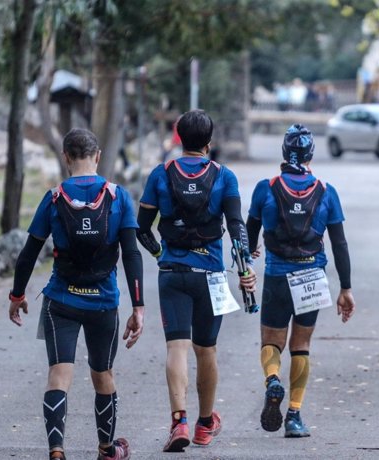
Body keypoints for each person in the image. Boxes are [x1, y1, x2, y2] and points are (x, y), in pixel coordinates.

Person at [8, 128, 144, 460]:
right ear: (97, 156)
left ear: (66, 157)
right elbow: (131, 254)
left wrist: (17, 295)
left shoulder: (53, 198)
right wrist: (138, 306)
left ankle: (56, 451)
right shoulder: (118, 197)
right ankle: (107, 448)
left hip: (61, 300)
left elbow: (28, 254)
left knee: (59, 373)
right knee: (102, 374)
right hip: (103, 303)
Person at [137, 109, 256, 453]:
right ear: (209, 142)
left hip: (173, 274)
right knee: (207, 350)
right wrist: (246, 270)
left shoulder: (160, 174)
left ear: (179, 137)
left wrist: (161, 255)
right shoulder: (224, 176)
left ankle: (179, 422)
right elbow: (236, 228)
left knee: (177, 347)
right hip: (211, 275)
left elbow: (141, 229)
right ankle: (205, 425)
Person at [246, 124, 356, 438]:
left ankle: (272, 381)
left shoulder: (265, 188)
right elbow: (340, 244)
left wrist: (249, 254)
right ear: (310, 154)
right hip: (312, 276)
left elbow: (250, 231)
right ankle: (294, 415)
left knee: (271, 342)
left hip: (279, 276)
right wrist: (345, 288)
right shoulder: (326, 191)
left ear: (284, 152)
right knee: (302, 346)